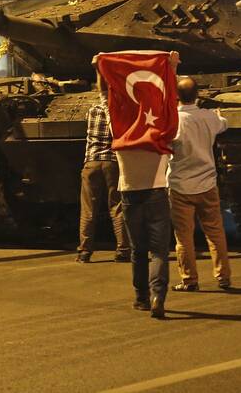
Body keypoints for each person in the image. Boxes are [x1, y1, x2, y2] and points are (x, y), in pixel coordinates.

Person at [98, 51, 180, 320]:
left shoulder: (120, 134)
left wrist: (101, 69)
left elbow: (107, 100)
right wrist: (172, 68)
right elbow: (171, 103)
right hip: (157, 195)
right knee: (159, 251)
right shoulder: (161, 134)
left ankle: (141, 298)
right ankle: (159, 295)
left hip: (130, 196)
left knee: (138, 250)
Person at [167, 77, 231, 292]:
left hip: (179, 186)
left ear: (176, 95)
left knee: (183, 237)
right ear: (197, 95)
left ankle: (189, 279)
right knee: (215, 232)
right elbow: (223, 124)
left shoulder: (171, 120)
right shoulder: (208, 117)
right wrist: (218, 115)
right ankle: (223, 277)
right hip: (207, 184)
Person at [75, 73, 131, 264]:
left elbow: (102, 95)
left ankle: (84, 251)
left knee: (88, 209)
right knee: (116, 206)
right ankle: (123, 249)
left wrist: (98, 70)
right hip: (112, 163)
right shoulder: (120, 112)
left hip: (91, 162)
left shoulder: (92, 110)